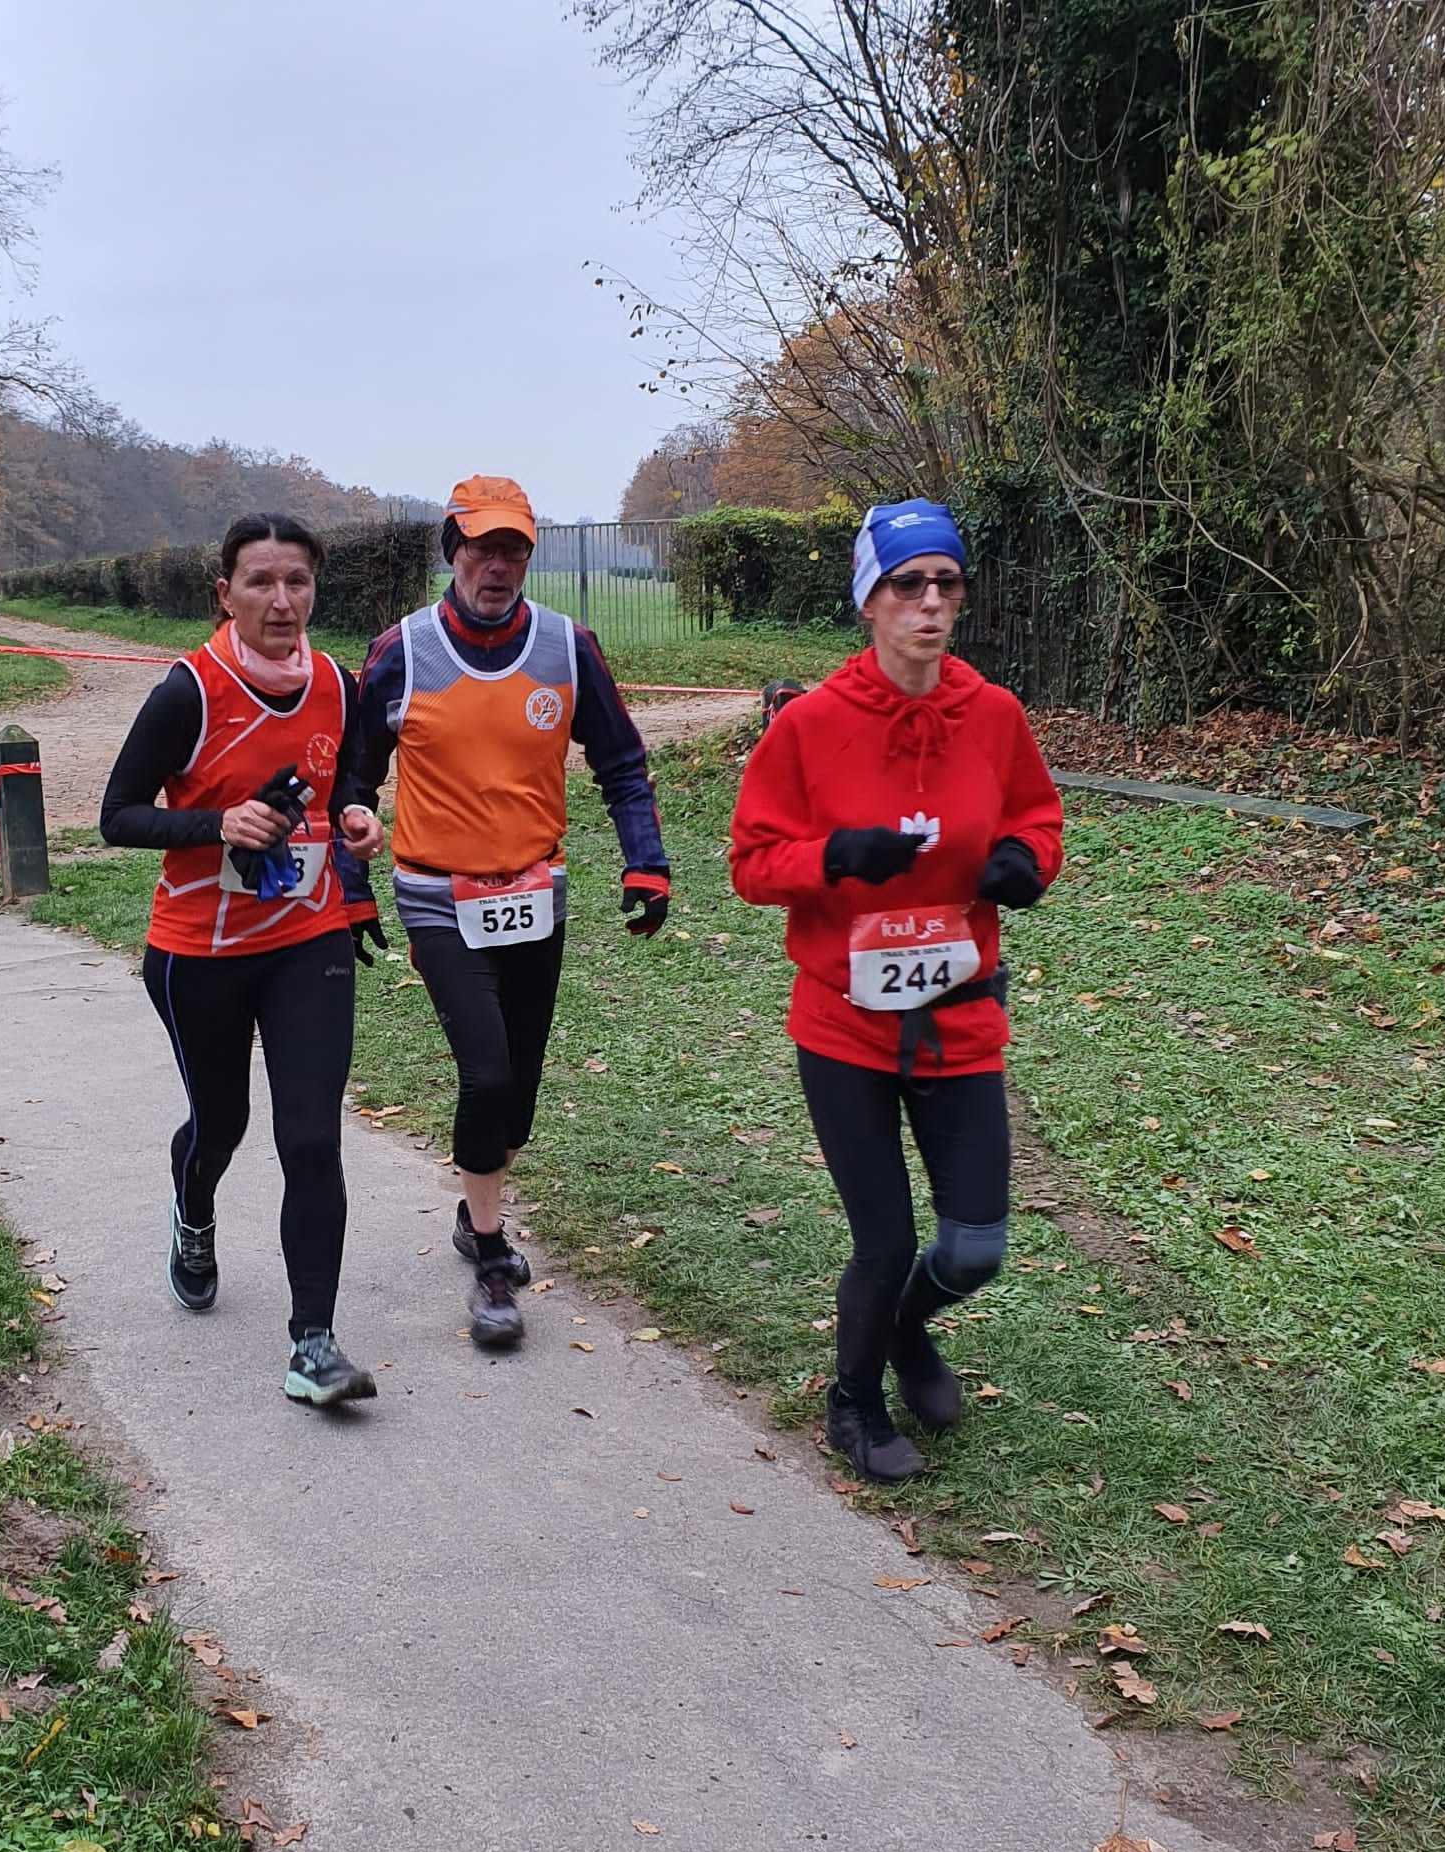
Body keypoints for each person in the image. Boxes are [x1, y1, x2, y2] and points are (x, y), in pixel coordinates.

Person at [728, 499, 1063, 1481]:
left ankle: (909, 1331)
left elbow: (1039, 820)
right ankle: (853, 1400)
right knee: (884, 1239)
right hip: (844, 1025)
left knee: (974, 1247)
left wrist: (1020, 862)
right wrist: (836, 854)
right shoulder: (811, 726)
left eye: (944, 581)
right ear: (866, 602)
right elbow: (751, 863)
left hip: (959, 1017)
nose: (927, 600)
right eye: (904, 583)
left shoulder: (992, 715)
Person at [355, 476, 670, 1349]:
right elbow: (352, 776)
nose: (497, 566)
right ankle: (493, 1256)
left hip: (535, 895)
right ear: (451, 551)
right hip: (436, 896)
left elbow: (621, 762)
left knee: (517, 1095)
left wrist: (646, 864)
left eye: (514, 550)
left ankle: (476, 1201)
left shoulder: (569, 648)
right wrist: (351, 879)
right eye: (482, 548)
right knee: (486, 1073)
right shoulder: (402, 652)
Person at [100, 511, 386, 1410]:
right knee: (219, 1126)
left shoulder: (340, 685)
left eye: (297, 581)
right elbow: (117, 816)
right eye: (260, 582)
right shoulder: (188, 691)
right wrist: (213, 824)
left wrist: (357, 821)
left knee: (310, 1136)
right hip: (199, 955)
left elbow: (348, 782)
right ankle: (193, 1214)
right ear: (224, 593)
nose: (281, 599)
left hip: (308, 940)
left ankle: (314, 1342)